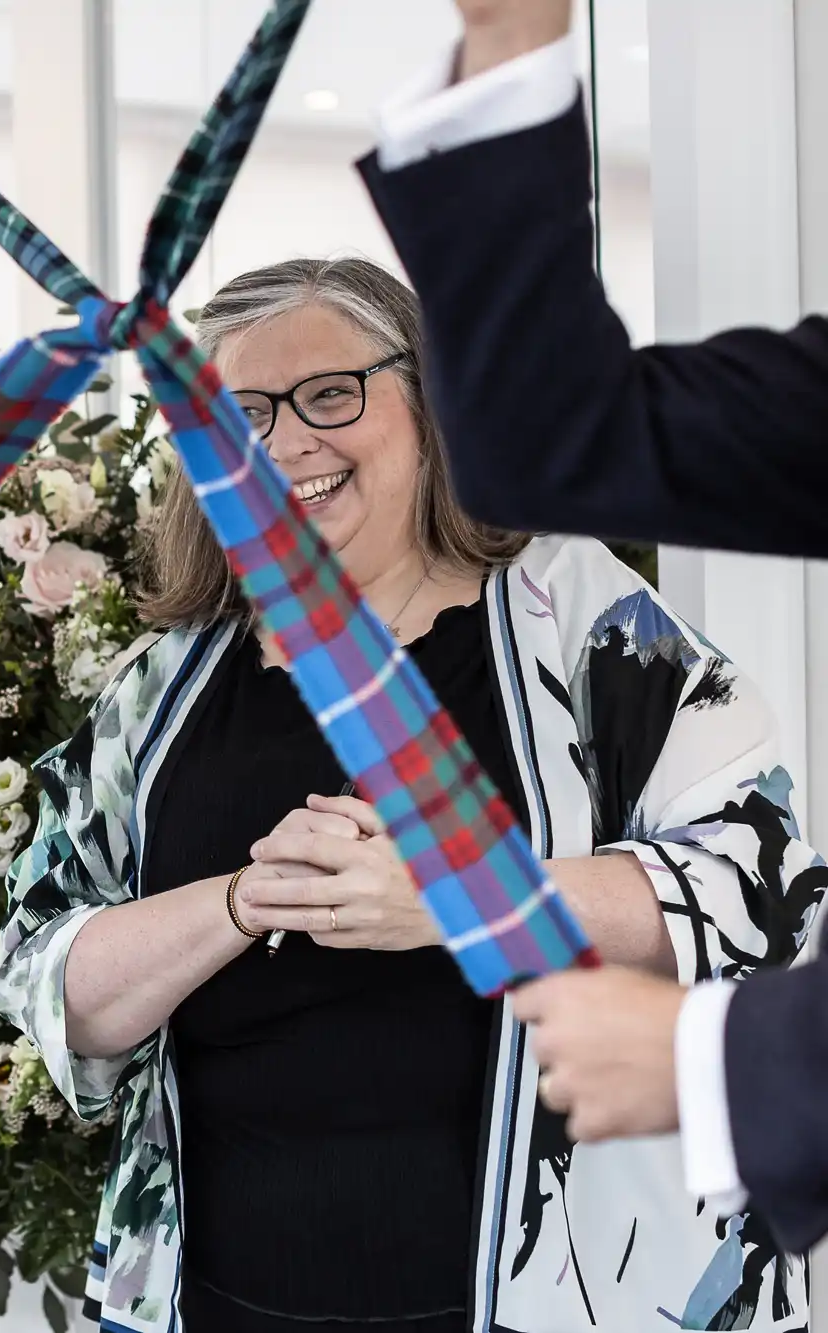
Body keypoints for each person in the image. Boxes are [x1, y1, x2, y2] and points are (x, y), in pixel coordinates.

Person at [0, 257, 819, 1332]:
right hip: (228, 1302)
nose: (285, 444)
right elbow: (47, 971)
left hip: (567, 1300)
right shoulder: (163, 687)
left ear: (428, 399)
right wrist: (242, 900)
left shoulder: (578, 621)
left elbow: (765, 881)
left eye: (329, 394)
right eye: (240, 414)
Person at [359, 0, 828, 1257]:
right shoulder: (169, 675)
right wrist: (510, 39)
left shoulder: (607, 635)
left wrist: (733, 1057)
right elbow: (549, 440)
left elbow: (761, 865)